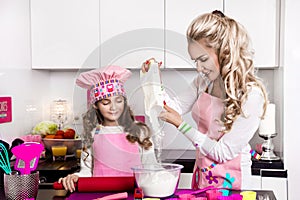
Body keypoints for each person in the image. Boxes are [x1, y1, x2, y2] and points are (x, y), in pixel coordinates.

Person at [141, 10, 268, 190]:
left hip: (233, 182)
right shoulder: (204, 82)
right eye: (195, 61)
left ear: (224, 52)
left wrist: (181, 125)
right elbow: (171, 108)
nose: (199, 68)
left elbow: (222, 152)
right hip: (203, 176)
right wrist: (154, 79)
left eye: (203, 59)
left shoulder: (251, 95)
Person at [58, 65, 157, 192]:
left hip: (134, 194)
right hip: (100, 194)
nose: (113, 107)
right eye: (106, 103)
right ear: (95, 105)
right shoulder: (93, 134)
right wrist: (75, 177)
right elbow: (86, 172)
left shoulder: (139, 132)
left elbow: (151, 169)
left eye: (119, 101)